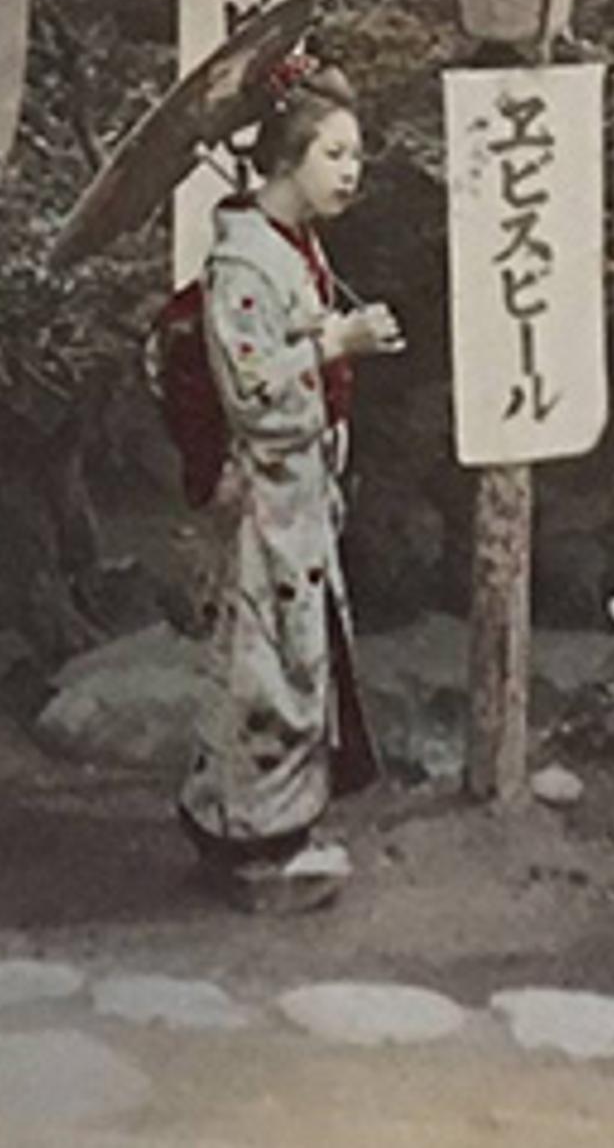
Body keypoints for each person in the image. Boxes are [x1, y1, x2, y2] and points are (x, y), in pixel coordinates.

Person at [176, 56, 404, 908]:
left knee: (296, 656)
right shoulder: (242, 264)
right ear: (287, 159)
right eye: (336, 154)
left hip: (301, 490)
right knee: (265, 667)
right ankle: (248, 845)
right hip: (263, 493)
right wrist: (334, 346)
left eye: (355, 155)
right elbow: (252, 392)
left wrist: (339, 338)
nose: (352, 171)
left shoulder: (293, 247)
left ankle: (269, 829)